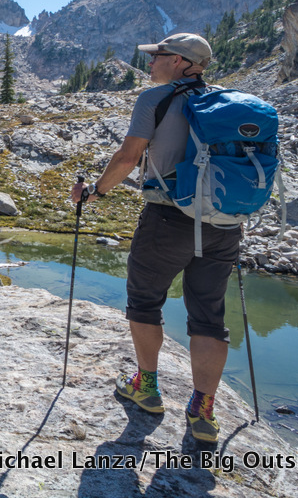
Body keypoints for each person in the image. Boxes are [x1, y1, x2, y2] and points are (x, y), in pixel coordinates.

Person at [69, 32, 237, 444]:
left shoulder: (154, 101)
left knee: (144, 302)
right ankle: (203, 411)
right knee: (210, 317)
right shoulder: (224, 103)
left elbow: (128, 157)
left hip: (169, 219)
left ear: (180, 61)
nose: (150, 62)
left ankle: (146, 389)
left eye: (157, 55)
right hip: (225, 225)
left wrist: (96, 191)